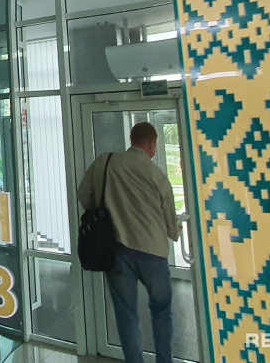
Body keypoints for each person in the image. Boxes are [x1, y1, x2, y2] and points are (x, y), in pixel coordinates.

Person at [77, 121, 179, 363]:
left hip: (117, 252)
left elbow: (84, 194)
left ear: (131, 140)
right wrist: (175, 231)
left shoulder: (105, 162)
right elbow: (170, 220)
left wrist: (106, 214)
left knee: (127, 315)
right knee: (161, 309)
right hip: (153, 252)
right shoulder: (156, 173)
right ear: (152, 143)